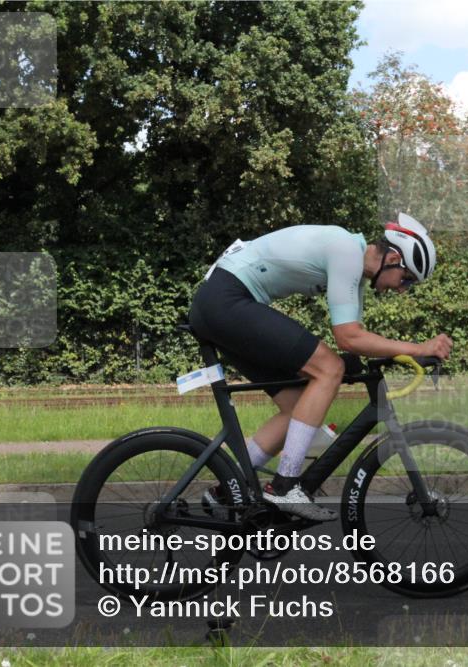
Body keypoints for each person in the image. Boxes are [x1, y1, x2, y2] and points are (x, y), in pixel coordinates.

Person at [188, 213, 453, 521]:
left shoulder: (352, 268)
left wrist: (397, 355)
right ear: (393, 258)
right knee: (328, 369)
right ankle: (284, 487)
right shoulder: (346, 251)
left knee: (299, 405)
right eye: (407, 279)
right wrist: (418, 348)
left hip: (221, 303)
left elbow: (356, 340)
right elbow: (348, 337)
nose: (403, 289)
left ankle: (227, 490)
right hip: (227, 300)